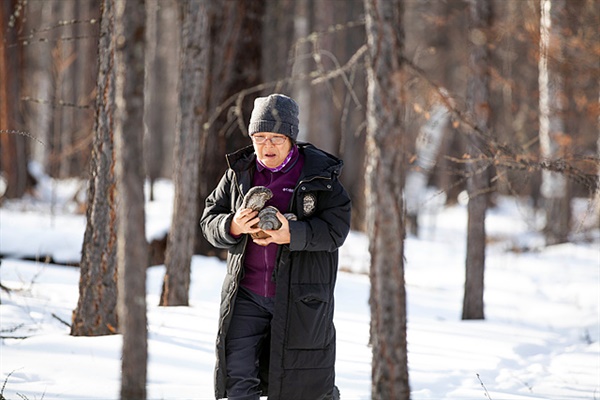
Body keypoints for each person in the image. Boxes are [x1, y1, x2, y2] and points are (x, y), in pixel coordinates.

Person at [200, 93, 351, 400]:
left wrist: (291, 233)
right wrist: (233, 226)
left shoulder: (320, 175)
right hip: (247, 296)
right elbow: (208, 220)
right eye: (259, 137)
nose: (266, 147)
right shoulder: (239, 172)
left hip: (300, 298)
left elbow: (337, 230)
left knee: (302, 386)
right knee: (238, 378)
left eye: (275, 138)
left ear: (291, 138)